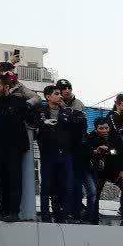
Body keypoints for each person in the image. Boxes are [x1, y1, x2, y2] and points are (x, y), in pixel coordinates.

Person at [0, 73, 35, 222]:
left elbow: (32, 119)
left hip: (13, 149)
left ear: (6, 87)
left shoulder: (18, 102)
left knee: (12, 181)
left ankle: (12, 213)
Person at [35, 84, 85, 223]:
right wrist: (43, 123)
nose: (60, 96)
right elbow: (33, 126)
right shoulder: (41, 111)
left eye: (59, 93)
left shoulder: (67, 111)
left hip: (65, 154)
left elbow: (77, 130)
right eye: (56, 93)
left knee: (65, 186)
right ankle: (45, 215)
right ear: (48, 96)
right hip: (47, 154)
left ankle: (62, 215)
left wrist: (80, 119)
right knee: (46, 186)